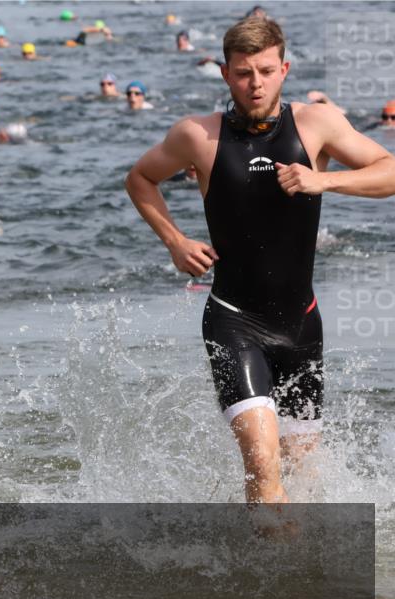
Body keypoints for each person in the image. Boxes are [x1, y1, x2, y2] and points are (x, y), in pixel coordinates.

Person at [125, 18, 395, 504]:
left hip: (301, 325)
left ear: (284, 69)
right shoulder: (197, 136)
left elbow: (389, 170)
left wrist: (323, 181)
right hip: (234, 322)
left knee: (306, 479)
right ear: (226, 74)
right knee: (263, 471)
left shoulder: (316, 124)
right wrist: (174, 241)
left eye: (266, 71)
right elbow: (141, 178)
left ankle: (289, 574)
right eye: (244, 73)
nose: (256, 83)